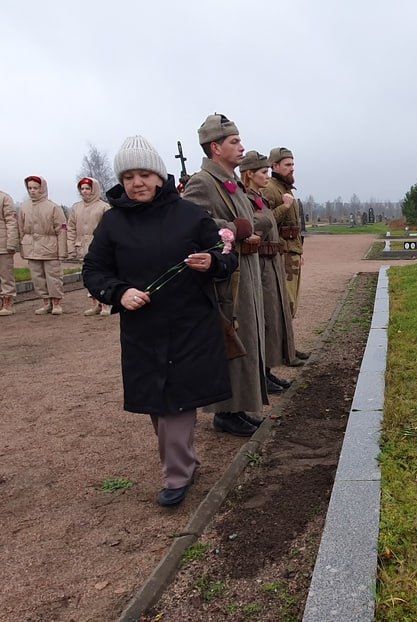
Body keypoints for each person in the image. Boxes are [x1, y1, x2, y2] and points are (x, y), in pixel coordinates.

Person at [82, 135, 238, 507]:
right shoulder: (112, 222)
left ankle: (176, 476)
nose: (138, 183)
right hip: (143, 329)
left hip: (190, 324)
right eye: (130, 176)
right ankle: (184, 461)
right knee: (158, 402)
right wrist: (119, 292)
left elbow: (225, 257)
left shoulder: (189, 215)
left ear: (159, 176)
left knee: (177, 403)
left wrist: (212, 262)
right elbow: (94, 270)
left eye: (145, 174)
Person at [182, 114, 268, 437]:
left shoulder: (228, 182)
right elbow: (195, 228)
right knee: (233, 340)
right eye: (234, 142)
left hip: (244, 270)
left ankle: (239, 407)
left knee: (247, 337)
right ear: (215, 147)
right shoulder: (202, 183)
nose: (241, 146)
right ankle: (226, 412)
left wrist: (248, 228)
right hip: (227, 278)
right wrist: (237, 229)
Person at [238, 150, 304, 393]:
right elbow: (259, 225)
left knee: (275, 316)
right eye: (263, 172)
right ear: (250, 174)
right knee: (266, 318)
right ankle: (263, 374)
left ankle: (267, 372)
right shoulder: (250, 197)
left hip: (274, 258)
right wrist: (284, 208)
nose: (266, 176)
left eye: (267, 171)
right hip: (263, 260)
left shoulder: (259, 197)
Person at [261, 147, 304, 319]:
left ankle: (288, 344)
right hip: (282, 253)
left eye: (293, 164)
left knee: (292, 302)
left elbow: (294, 225)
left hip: (291, 252)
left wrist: (299, 252)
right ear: (275, 166)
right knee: (286, 303)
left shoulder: (286, 188)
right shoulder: (270, 189)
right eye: (287, 164)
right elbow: (265, 222)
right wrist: (284, 207)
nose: (292, 168)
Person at [18, 175, 67, 315]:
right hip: (31, 248)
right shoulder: (24, 207)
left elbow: (61, 230)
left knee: (53, 276)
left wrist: (62, 252)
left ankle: (56, 303)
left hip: (50, 247)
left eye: (35, 188)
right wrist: (23, 247)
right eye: (30, 188)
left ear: (42, 188)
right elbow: (20, 229)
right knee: (37, 277)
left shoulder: (53, 207)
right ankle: (46, 302)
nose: (32, 191)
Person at [68, 177, 111, 315]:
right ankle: (95, 304)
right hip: (82, 245)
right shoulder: (76, 207)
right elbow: (71, 228)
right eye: (82, 189)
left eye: (87, 188)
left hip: (100, 245)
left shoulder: (104, 207)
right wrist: (71, 247)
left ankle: (106, 304)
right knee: (88, 276)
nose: (85, 191)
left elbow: (110, 228)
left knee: (103, 274)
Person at [0, 189, 19, 316]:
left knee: (5, 274)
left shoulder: (4, 198)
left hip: (2, 244)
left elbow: (11, 222)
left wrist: (11, 244)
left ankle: (7, 302)